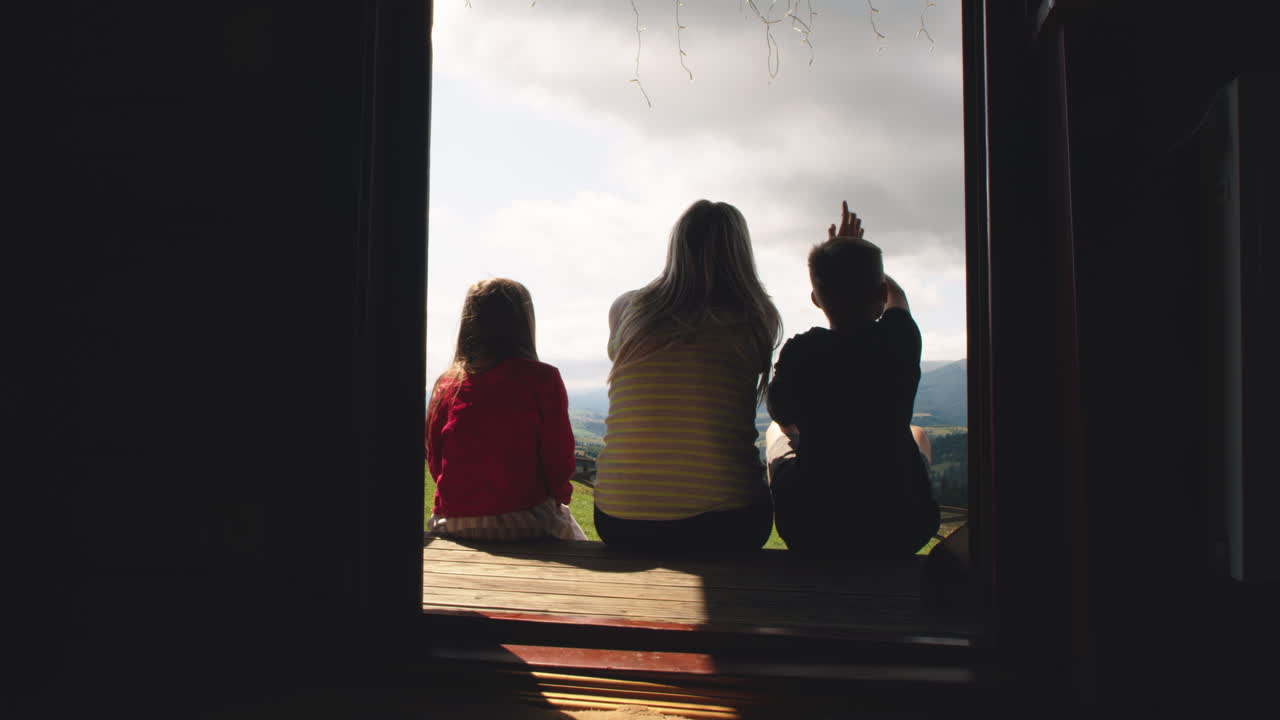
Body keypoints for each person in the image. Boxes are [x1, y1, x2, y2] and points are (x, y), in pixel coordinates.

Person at [593, 200, 782, 551]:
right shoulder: (758, 318)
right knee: (777, 437)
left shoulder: (626, 310)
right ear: (741, 252)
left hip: (620, 521)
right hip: (729, 526)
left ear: (676, 247)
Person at [765, 201, 940, 561]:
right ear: (879, 293)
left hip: (813, 530)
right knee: (918, 433)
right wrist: (857, 259)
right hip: (905, 528)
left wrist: (836, 258)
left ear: (815, 299)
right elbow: (899, 299)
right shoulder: (899, 339)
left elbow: (784, 418)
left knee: (771, 434)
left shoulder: (801, 351)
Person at [426, 278, 587, 541]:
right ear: (524, 324)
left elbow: (435, 458)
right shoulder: (542, 379)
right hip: (526, 519)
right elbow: (558, 457)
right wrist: (559, 498)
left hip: (451, 522)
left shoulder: (447, 384)